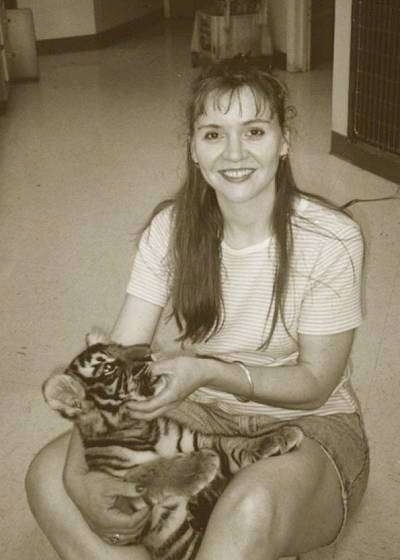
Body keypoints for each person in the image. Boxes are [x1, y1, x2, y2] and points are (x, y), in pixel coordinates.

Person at [25, 57, 369, 560]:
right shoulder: (169, 231)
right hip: (196, 411)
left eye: (254, 130)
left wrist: (206, 370)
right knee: (47, 480)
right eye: (213, 134)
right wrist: (79, 478)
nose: (234, 152)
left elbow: (316, 381)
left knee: (247, 508)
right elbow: (120, 355)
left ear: (284, 140)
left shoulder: (331, 239)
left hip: (312, 422)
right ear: (193, 149)